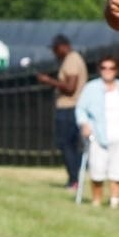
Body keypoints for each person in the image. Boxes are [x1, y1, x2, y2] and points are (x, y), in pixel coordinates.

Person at [37, 34, 87, 191]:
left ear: (64, 46)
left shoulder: (72, 60)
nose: (54, 53)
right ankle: (75, 178)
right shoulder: (71, 59)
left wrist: (48, 81)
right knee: (70, 145)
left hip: (69, 108)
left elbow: (71, 88)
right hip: (70, 108)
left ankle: (74, 179)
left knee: (66, 144)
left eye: (55, 49)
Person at [75, 56, 119, 208]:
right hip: (98, 135)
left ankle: (114, 201)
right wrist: (84, 124)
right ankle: (97, 200)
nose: (108, 71)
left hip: (117, 135)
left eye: (111, 68)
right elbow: (81, 109)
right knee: (97, 170)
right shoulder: (91, 88)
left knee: (116, 171)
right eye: (104, 68)